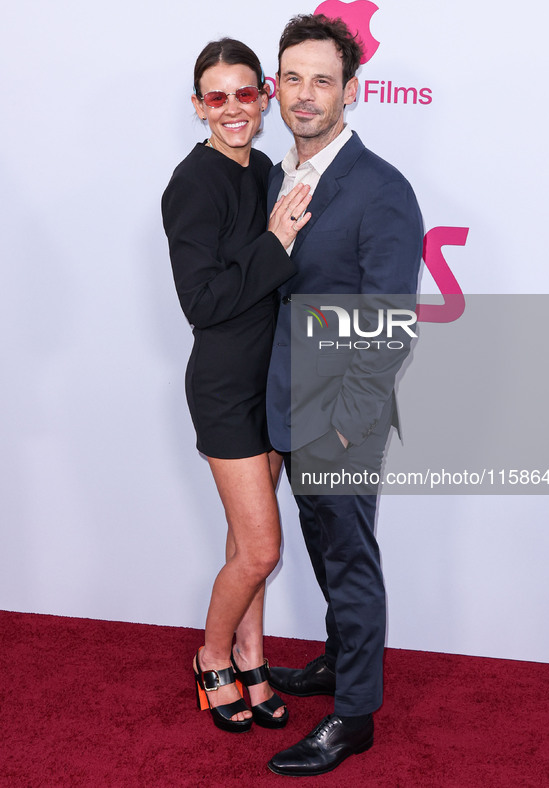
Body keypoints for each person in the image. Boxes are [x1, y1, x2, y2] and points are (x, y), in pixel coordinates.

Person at [265, 15, 423, 775]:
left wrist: (349, 424)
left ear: (349, 91)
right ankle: (335, 659)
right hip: (285, 402)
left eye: (321, 79)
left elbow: (390, 323)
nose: (304, 94)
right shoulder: (275, 177)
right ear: (275, 86)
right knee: (325, 548)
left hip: (340, 416)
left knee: (351, 556)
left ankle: (354, 715)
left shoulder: (380, 188)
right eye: (292, 77)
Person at [161, 38, 312, 734]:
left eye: (244, 94)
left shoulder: (263, 174)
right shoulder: (192, 185)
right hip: (224, 386)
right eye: (215, 97)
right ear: (198, 107)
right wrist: (274, 244)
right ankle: (211, 656)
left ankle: (252, 658)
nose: (232, 109)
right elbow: (203, 302)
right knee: (261, 549)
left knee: (241, 543)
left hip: (270, 377)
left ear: (266, 97)